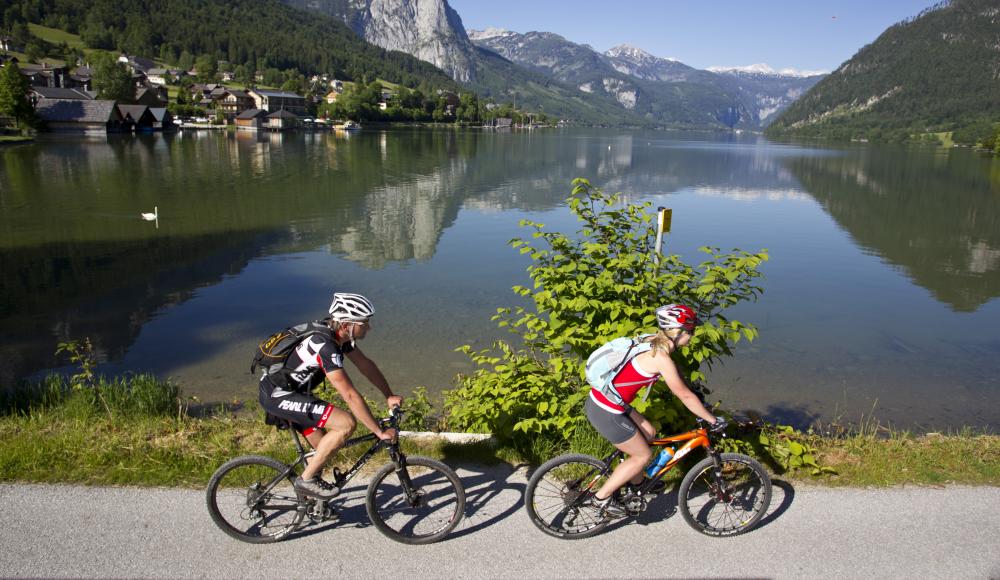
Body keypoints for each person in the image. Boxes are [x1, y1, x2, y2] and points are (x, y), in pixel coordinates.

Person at [584, 303, 727, 517]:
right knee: (642, 456)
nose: (692, 336)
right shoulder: (661, 358)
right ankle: (600, 499)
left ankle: (636, 483)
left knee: (649, 432)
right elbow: (684, 395)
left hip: (607, 400)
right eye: (690, 331)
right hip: (607, 410)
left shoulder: (653, 340)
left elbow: (677, 376)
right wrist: (712, 419)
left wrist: (691, 387)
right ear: (677, 332)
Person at [258, 292, 403, 499]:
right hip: (278, 396)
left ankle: (310, 503)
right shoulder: (326, 346)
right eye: (364, 323)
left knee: (323, 450)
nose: (368, 327)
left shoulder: (339, 337)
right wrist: (379, 431)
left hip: (292, 393)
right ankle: (306, 480)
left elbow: (366, 366)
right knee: (346, 424)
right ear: (346, 325)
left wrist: (388, 394)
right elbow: (350, 395)